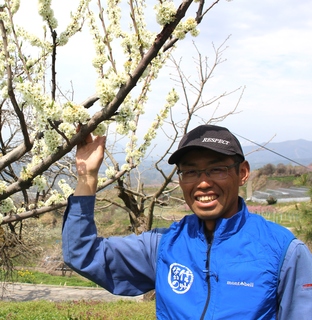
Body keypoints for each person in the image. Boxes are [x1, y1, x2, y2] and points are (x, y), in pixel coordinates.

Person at [62, 124, 312, 319]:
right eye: (190, 172)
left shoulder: (284, 252)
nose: (203, 183)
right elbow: (82, 253)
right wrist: (87, 177)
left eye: (217, 169)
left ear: (243, 173)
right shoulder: (163, 246)